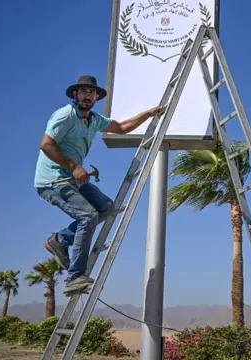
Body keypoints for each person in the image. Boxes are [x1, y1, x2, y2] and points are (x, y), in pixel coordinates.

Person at [35, 75, 163, 295]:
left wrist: (149, 114)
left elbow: (122, 127)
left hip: (74, 178)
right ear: (75, 94)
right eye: (83, 91)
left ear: (96, 97)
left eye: (91, 92)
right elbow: (46, 145)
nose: (87, 95)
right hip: (53, 180)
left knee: (106, 208)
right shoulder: (65, 115)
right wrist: (74, 166)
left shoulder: (94, 119)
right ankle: (75, 276)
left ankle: (61, 239)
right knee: (87, 216)